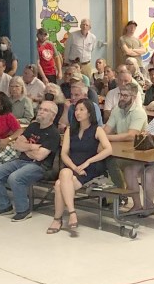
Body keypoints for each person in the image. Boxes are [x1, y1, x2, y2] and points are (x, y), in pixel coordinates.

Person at [0, 100, 62, 221]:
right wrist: (32, 147)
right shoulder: (33, 126)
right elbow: (17, 144)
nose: (41, 111)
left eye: (45, 110)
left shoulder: (53, 133)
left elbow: (39, 156)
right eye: (40, 108)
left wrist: (25, 147)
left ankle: (23, 210)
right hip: (21, 160)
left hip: (39, 166)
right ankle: (4, 206)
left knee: (15, 178)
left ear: (53, 116)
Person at [47, 99, 112, 236]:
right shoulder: (70, 130)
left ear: (89, 113)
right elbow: (64, 153)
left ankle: (57, 219)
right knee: (64, 172)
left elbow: (108, 150)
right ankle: (72, 213)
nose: (77, 112)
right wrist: (74, 167)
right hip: (73, 167)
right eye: (76, 109)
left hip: (89, 168)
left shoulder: (97, 129)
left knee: (59, 185)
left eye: (82, 109)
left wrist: (88, 162)